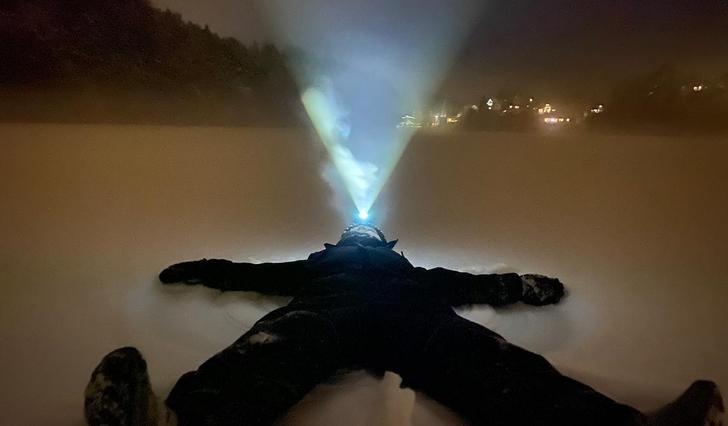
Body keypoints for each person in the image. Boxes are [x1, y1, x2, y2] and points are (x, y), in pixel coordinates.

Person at [84, 225, 724, 426]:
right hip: (337, 309)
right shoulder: (319, 266)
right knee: (274, 350)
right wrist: (196, 267)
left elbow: (474, 285)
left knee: (495, 366)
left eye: (366, 234)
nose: (359, 237)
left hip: (403, 313)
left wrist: (525, 287)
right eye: (356, 233)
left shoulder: (405, 270)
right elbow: (245, 270)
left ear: (380, 241)